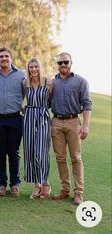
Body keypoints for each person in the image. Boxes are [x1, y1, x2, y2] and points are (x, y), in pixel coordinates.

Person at [51, 52, 92, 205]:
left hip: (74, 122)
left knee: (76, 158)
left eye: (65, 62)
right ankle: (65, 189)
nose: (62, 65)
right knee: (60, 158)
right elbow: (46, 102)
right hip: (56, 122)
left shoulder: (81, 81)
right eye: (60, 63)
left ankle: (79, 193)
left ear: (71, 63)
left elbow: (87, 104)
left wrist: (86, 126)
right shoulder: (52, 82)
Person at [0, 47, 25, 197]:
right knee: (0, 152)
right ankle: (1, 184)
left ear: (11, 58)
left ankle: (14, 184)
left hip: (15, 117)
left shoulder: (21, 74)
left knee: (14, 152)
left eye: (6, 56)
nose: (4, 59)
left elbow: (25, 92)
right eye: (1, 56)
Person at [23, 57, 53, 199]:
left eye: (36, 66)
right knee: (30, 151)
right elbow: (21, 99)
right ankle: (37, 184)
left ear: (40, 68)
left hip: (42, 117)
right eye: (31, 67)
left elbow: (52, 101)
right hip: (28, 117)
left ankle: (45, 182)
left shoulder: (48, 83)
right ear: (28, 69)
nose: (33, 69)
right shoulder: (25, 83)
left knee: (41, 152)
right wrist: (23, 110)